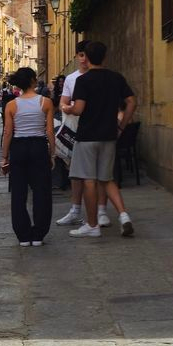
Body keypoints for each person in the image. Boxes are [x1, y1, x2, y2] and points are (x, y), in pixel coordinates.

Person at [62, 40, 135, 238]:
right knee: (107, 179)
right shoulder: (116, 78)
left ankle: (92, 225)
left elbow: (78, 109)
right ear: (104, 57)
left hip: (87, 136)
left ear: (87, 57)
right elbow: (131, 102)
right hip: (109, 135)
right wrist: (122, 125)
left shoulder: (83, 81)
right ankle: (124, 215)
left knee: (89, 181)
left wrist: (67, 108)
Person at [1, 67, 56, 246]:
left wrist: (4, 157)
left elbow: (8, 132)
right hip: (38, 146)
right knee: (41, 191)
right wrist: (52, 153)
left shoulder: (11, 105)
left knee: (18, 192)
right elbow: (49, 131)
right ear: (34, 80)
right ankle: (39, 234)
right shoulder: (46, 102)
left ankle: (23, 235)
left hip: (18, 147)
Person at [56, 41, 108, 227]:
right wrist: (67, 108)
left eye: (86, 55)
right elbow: (63, 102)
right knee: (76, 174)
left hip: (98, 130)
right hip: (78, 131)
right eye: (80, 55)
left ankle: (101, 211)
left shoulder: (104, 77)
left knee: (101, 173)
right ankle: (75, 210)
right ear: (77, 57)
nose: (84, 59)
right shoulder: (71, 79)